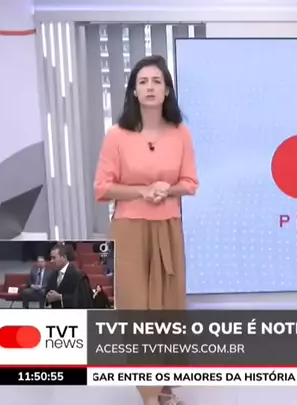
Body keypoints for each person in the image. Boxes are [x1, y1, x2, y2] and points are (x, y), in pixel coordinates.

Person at [93, 55, 198, 405]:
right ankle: (148, 394)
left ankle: (165, 387)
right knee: (136, 310)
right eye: (142, 82)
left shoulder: (181, 133)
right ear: (134, 92)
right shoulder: (117, 135)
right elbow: (102, 188)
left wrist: (167, 190)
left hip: (168, 229)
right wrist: (142, 191)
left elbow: (190, 182)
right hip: (129, 230)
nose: (150, 87)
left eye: (156, 81)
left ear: (167, 90)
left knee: (169, 309)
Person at [44, 244, 93, 309]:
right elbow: (47, 295)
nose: (51, 261)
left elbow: (82, 300)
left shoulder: (79, 276)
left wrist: (60, 297)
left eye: (54, 258)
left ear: (64, 257)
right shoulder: (52, 276)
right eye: (51, 258)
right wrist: (48, 298)